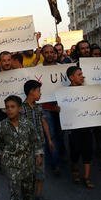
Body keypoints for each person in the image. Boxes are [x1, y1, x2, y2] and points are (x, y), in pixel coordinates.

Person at [0, 95, 41, 200]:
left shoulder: (28, 124)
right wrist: (0, 155)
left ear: (20, 108)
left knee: (27, 189)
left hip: (27, 164)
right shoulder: (3, 125)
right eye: (7, 107)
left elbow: (35, 140)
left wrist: (38, 154)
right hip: (11, 166)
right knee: (14, 192)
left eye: (12, 107)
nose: (9, 109)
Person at [22, 80, 54, 200]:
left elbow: (43, 122)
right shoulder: (21, 109)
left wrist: (49, 139)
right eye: (38, 91)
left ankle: (38, 196)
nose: (40, 94)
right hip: (27, 147)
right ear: (31, 92)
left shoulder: (39, 107)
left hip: (40, 144)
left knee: (40, 173)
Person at [65, 66, 95, 189]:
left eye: (82, 74)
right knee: (75, 151)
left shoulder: (89, 91)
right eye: (79, 74)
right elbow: (63, 109)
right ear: (71, 77)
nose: (82, 76)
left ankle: (87, 177)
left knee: (88, 151)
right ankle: (75, 171)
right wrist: (59, 109)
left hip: (87, 127)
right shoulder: (65, 93)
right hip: (74, 129)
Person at [40, 45, 65, 175]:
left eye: (51, 52)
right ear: (42, 54)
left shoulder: (62, 69)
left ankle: (61, 158)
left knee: (61, 135)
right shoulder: (37, 70)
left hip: (61, 107)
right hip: (45, 108)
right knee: (51, 135)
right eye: (46, 52)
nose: (49, 54)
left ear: (55, 53)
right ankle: (55, 164)